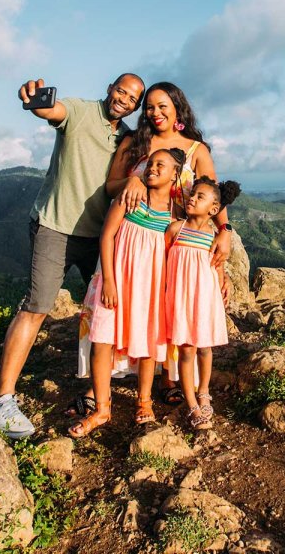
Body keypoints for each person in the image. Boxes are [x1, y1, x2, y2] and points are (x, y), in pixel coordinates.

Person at [0, 73, 144, 439]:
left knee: (107, 311)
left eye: (133, 98)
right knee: (37, 306)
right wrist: (35, 101)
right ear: (109, 88)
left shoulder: (129, 139)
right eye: (121, 91)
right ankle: (2, 399)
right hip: (54, 227)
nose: (124, 100)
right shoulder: (79, 111)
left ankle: (95, 388)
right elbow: (50, 111)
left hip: (99, 235)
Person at [67, 82, 233, 411]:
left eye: (162, 106)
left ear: (177, 108)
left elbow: (211, 193)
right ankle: (101, 385)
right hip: (132, 237)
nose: (155, 113)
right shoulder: (135, 141)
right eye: (150, 107)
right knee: (114, 311)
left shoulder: (196, 150)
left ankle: (168, 378)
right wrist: (131, 179)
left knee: (159, 310)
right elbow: (111, 185)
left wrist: (225, 229)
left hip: (173, 243)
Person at [70, 148, 186, 437]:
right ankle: (102, 408)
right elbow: (107, 235)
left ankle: (144, 401)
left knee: (148, 344)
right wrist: (108, 280)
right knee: (102, 340)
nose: (152, 168)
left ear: (175, 174)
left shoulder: (174, 211)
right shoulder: (131, 197)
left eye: (162, 165)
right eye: (150, 163)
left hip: (150, 288)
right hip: (117, 282)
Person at [165, 177, 241, 430]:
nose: (192, 198)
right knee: (186, 350)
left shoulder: (215, 236)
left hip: (204, 299)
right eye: (193, 194)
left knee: (205, 348)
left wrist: (224, 282)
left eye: (200, 197)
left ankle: (204, 391)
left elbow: (217, 267)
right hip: (180, 299)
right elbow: (163, 262)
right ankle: (191, 404)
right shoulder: (175, 229)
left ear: (213, 209)